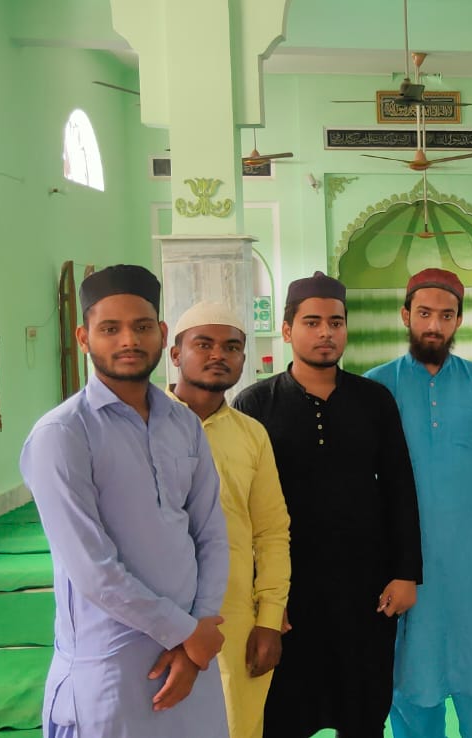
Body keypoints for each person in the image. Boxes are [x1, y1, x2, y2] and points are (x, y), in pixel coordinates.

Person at [19, 264, 229, 737]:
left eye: (141, 326)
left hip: (193, 658)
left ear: (162, 334)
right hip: (111, 666)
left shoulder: (183, 423)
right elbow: (93, 570)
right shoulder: (62, 434)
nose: (128, 340)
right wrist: (186, 633)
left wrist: (199, 630)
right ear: (84, 337)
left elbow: (212, 535)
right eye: (110, 329)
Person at [234, 271, 422, 738]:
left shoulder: (374, 400)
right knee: (283, 715)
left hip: (365, 592)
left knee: (363, 712)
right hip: (288, 593)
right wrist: (264, 600)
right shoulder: (255, 404)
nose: (326, 333)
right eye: (312, 322)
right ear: (287, 330)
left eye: (336, 323)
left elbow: (399, 487)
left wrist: (405, 573)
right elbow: (241, 511)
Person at [366, 269, 472, 738]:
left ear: (459, 321)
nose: (434, 325)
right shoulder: (376, 386)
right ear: (405, 315)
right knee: (412, 688)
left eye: (446, 316)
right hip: (407, 570)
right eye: (425, 313)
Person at [168, 301, 292, 738]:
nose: (218, 354)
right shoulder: (142, 426)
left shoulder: (251, 435)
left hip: (234, 620)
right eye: (204, 344)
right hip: (156, 621)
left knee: (236, 726)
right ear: (175, 354)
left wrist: (269, 618)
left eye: (232, 347)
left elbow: (271, 532)